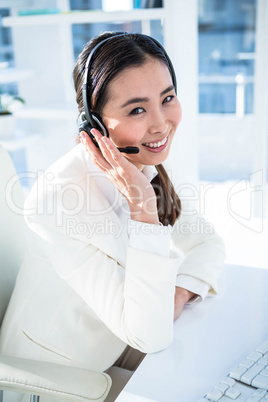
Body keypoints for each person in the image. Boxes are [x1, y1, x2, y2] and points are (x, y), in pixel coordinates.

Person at [0, 31, 225, 400]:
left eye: (167, 98)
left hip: (114, 345)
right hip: (59, 381)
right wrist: (143, 211)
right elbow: (149, 334)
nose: (160, 124)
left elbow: (206, 242)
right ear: (94, 122)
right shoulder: (61, 199)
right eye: (137, 109)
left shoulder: (147, 154)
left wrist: (180, 293)